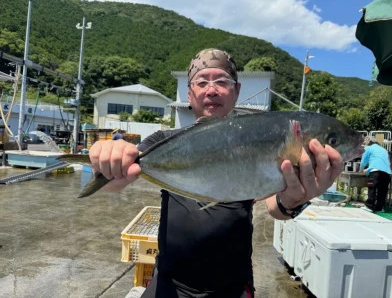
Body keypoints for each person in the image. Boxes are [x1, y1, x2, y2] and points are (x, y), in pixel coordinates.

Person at [89, 48, 343, 298]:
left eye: (222, 81)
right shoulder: (163, 141)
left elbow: (275, 207)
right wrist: (108, 159)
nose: (211, 89)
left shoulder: (255, 137)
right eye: (202, 82)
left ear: (237, 92)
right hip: (170, 284)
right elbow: (118, 179)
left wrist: (292, 201)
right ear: (190, 94)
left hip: (233, 287)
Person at [359, 140, 392, 213]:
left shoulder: (368, 148)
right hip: (387, 172)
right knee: (382, 190)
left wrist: (361, 169)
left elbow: (363, 161)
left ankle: (369, 206)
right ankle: (379, 208)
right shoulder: (384, 150)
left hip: (375, 172)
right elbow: (381, 162)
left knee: (372, 188)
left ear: (369, 144)